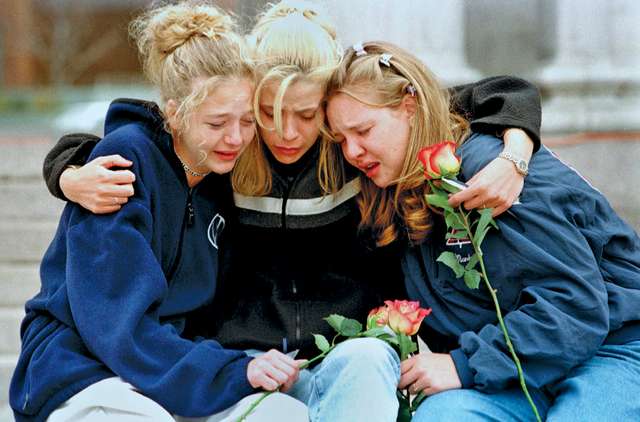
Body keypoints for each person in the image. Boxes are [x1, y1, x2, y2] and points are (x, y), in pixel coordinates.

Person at [40, 2, 543, 420]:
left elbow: (496, 94)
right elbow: (151, 134)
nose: (286, 133)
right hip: (241, 355)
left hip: (344, 349)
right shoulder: (228, 148)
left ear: (329, 101)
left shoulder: (348, 146)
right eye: (268, 113)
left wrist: (515, 155)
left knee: (367, 360)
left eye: (306, 115)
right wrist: (68, 170)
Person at [9, 2, 309, 421]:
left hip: (164, 368)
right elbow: (117, 325)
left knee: (281, 414)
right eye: (217, 123)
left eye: (246, 121)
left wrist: (240, 363)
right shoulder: (125, 163)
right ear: (174, 112)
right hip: (81, 365)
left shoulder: (220, 178)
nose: (236, 138)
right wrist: (226, 370)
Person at [325, 40, 640, 421]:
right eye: (341, 140)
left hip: (612, 349)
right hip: (518, 373)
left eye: (364, 130)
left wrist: (462, 365)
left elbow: (576, 305)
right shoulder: (394, 194)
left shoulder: (487, 173)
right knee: (442, 416)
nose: (352, 152)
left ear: (409, 108)